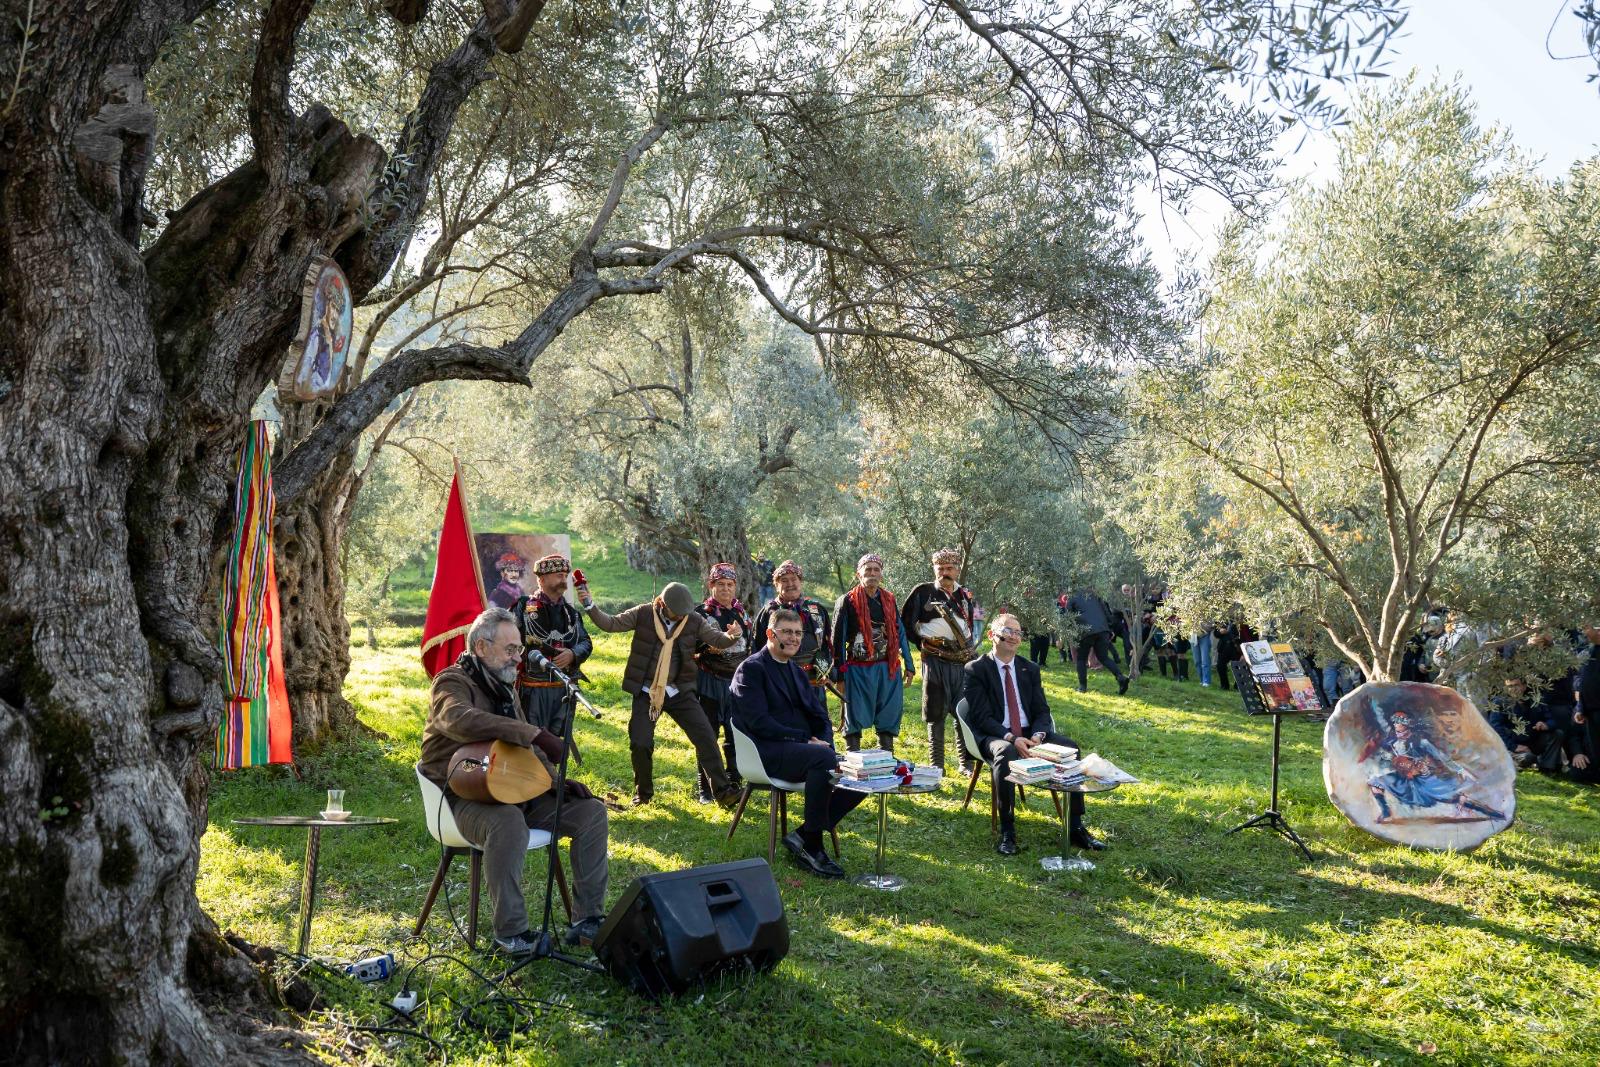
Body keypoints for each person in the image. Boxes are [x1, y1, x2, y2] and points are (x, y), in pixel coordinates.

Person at [421, 608, 610, 953]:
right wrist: (533, 732)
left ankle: (588, 920)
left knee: (591, 813)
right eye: (510, 650)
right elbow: (458, 719)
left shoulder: (505, 686)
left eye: (519, 649)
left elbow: (527, 746)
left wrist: (553, 782)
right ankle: (511, 934)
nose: (518, 658)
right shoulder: (451, 681)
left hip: (511, 785)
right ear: (481, 647)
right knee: (507, 821)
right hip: (463, 795)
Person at [580, 579, 744, 807]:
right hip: (647, 691)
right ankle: (643, 794)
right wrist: (589, 605)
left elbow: (716, 639)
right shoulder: (643, 613)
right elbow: (611, 624)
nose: (681, 616)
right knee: (640, 742)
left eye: (684, 612)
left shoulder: (693, 619)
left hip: (680, 691)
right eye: (677, 612)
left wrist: (732, 636)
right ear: (663, 604)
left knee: (706, 737)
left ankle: (724, 792)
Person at [730, 608, 869, 878]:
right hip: (765, 752)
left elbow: (820, 716)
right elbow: (759, 723)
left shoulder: (796, 671)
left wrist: (824, 742)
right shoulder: (751, 670)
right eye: (787, 632)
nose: (794, 638)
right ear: (770, 634)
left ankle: (803, 834)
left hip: (803, 751)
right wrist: (805, 740)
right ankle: (813, 846)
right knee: (823, 759)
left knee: (861, 771)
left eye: (798, 633)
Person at [961, 613, 1106, 856]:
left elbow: (1041, 711)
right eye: (1008, 631)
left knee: (1071, 748)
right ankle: (1008, 832)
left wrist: (1038, 735)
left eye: (1018, 632)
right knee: (1006, 753)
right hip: (994, 735)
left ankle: (1075, 827)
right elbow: (981, 717)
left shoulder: (1030, 668)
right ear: (992, 635)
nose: (1014, 637)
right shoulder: (976, 669)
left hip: (1030, 734)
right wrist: (1011, 737)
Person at [901, 548, 981, 774]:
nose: (945, 572)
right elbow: (905, 624)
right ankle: (937, 764)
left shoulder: (964, 594)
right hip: (935, 659)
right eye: (941, 568)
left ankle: (965, 763)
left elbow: (970, 624)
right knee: (935, 711)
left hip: (962, 660)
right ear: (934, 568)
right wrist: (922, 643)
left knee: (963, 711)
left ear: (957, 570)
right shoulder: (922, 592)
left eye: (949, 568)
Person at [831, 553, 914, 753]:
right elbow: (837, 640)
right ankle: (853, 756)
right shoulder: (846, 601)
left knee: (889, 712)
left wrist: (910, 664)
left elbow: (900, 632)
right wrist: (839, 675)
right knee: (854, 711)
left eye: (876, 569)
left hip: (888, 667)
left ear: (881, 574)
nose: (872, 573)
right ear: (858, 574)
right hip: (857, 669)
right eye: (868, 569)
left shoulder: (889, 599)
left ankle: (885, 757)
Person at [512, 553, 592, 739]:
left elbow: (586, 642)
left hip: (564, 689)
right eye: (558, 575)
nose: (563, 579)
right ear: (542, 579)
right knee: (532, 739)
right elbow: (508, 640)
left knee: (557, 743)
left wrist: (572, 654)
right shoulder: (523, 607)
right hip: (533, 689)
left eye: (565, 575)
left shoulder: (571, 613)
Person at [693, 562, 753, 802]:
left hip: (736, 684)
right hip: (709, 681)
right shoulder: (700, 614)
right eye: (720, 584)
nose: (726, 589)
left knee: (735, 734)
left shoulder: (742, 613)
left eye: (729, 584)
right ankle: (706, 788)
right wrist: (712, 646)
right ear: (711, 585)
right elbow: (690, 647)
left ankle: (734, 781)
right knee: (707, 736)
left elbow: (749, 646)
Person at [751, 558, 834, 699]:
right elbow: (757, 647)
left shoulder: (816, 609)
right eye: (784, 580)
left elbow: (826, 644)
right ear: (776, 585)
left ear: (800, 582)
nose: (790, 584)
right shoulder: (768, 612)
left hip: (813, 682)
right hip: (779, 682)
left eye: (793, 579)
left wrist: (828, 673)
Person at [1065, 588, 1129, 695]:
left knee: (1081, 659)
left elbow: (1068, 617)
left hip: (1086, 631)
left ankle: (1082, 687)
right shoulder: (1095, 596)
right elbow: (1106, 612)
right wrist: (1110, 628)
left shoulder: (1072, 598)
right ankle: (1120, 677)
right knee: (1103, 657)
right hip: (1102, 630)